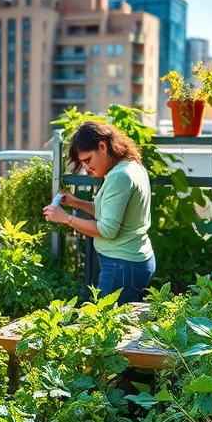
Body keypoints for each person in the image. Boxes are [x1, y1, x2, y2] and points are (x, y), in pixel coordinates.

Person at [42, 121, 155, 304]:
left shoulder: (119, 176)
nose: (86, 168)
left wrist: (66, 218)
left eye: (87, 160)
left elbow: (108, 229)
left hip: (122, 267)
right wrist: (75, 202)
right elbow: (109, 214)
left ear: (102, 146)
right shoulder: (131, 166)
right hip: (131, 263)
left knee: (108, 327)